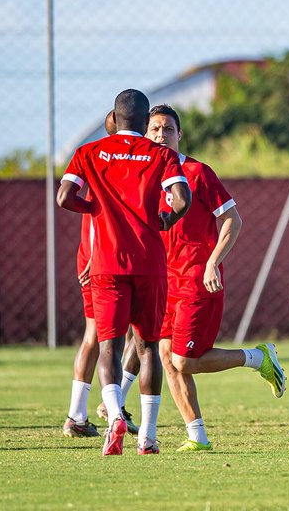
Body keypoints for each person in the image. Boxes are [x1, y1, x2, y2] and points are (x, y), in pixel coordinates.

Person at [57, 89, 191, 455]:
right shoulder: (161, 154)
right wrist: (166, 219)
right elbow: (182, 199)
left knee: (108, 347)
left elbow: (64, 197)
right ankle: (147, 437)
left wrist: (95, 208)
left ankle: (114, 414)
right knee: (148, 349)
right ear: (146, 121)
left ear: (115, 118)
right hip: (149, 263)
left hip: (106, 266)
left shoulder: (88, 152)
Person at [147, 104, 286, 452]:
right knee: (166, 355)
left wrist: (212, 263)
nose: (161, 135)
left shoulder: (197, 173)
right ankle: (197, 436)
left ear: (180, 135)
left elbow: (233, 221)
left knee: (184, 360)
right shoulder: (146, 175)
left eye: (167, 129)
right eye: (154, 130)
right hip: (162, 280)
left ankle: (257, 357)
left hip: (197, 277)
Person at [62, 111, 143, 438]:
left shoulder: (100, 163)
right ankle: (101, 410)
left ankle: (89, 412)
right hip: (105, 261)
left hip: (102, 258)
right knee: (110, 336)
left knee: (107, 336)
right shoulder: (113, 165)